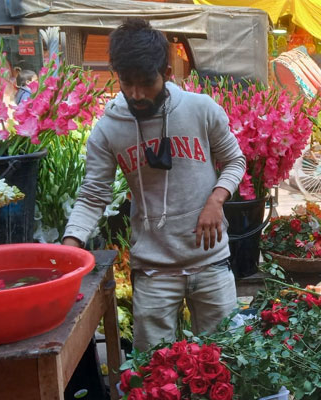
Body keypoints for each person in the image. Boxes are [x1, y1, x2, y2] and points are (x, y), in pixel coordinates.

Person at [62, 18, 246, 350]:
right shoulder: (108, 131)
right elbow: (93, 194)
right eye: (127, 82)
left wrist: (216, 200)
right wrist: (71, 245)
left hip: (210, 262)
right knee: (154, 371)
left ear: (167, 71)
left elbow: (235, 161)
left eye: (147, 82)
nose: (137, 94)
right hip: (153, 272)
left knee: (226, 358)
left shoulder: (200, 109)